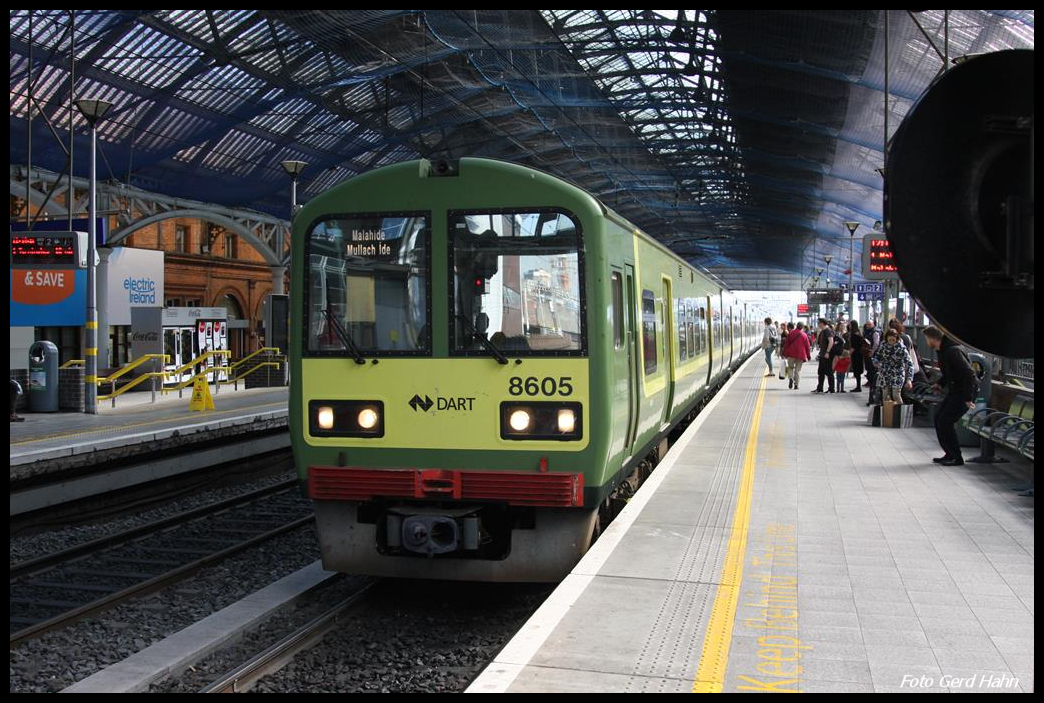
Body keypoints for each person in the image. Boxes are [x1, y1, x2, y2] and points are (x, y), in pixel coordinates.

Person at [922, 326, 977, 466]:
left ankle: (956, 457)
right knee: (939, 417)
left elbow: (969, 375)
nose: (926, 341)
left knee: (945, 420)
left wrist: (968, 398)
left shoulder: (953, 351)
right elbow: (949, 372)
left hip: (964, 392)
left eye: (926, 338)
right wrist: (940, 383)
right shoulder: (943, 350)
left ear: (932, 338)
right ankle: (949, 453)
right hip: (956, 390)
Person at [872, 329, 914, 403]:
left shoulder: (901, 348)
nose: (891, 341)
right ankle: (887, 413)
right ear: (886, 338)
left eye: (893, 339)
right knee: (885, 396)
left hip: (897, 373)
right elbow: (878, 356)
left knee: (896, 395)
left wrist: (909, 379)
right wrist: (875, 361)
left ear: (896, 338)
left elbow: (910, 363)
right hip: (885, 373)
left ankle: (900, 412)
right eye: (889, 339)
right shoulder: (883, 345)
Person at [783, 321, 811, 390]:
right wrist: (808, 356)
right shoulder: (804, 335)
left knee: (790, 368)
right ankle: (796, 385)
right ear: (802, 327)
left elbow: (786, 344)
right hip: (800, 355)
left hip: (791, 353)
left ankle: (790, 378)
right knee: (797, 370)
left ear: (797, 326)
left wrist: (784, 353)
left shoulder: (791, 333)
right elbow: (807, 346)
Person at [813, 319, 835, 393]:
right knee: (821, 372)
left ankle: (831, 388)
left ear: (822, 323)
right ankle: (820, 388)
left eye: (819, 323)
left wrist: (827, 352)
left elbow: (831, 341)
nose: (818, 324)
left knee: (829, 372)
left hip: (826, 355)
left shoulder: (827, 331)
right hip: (822, 354)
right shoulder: (823, 331)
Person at [847, 320, 865, 392]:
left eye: (850, 325)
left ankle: (858, 387)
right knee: (858, 370)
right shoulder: (859, 333)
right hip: (860, 353)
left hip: (855, 354)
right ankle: (858, 386)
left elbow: (854, 346)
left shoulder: (854, 335)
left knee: (856, 370)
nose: (849, 326)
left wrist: (849, 353)